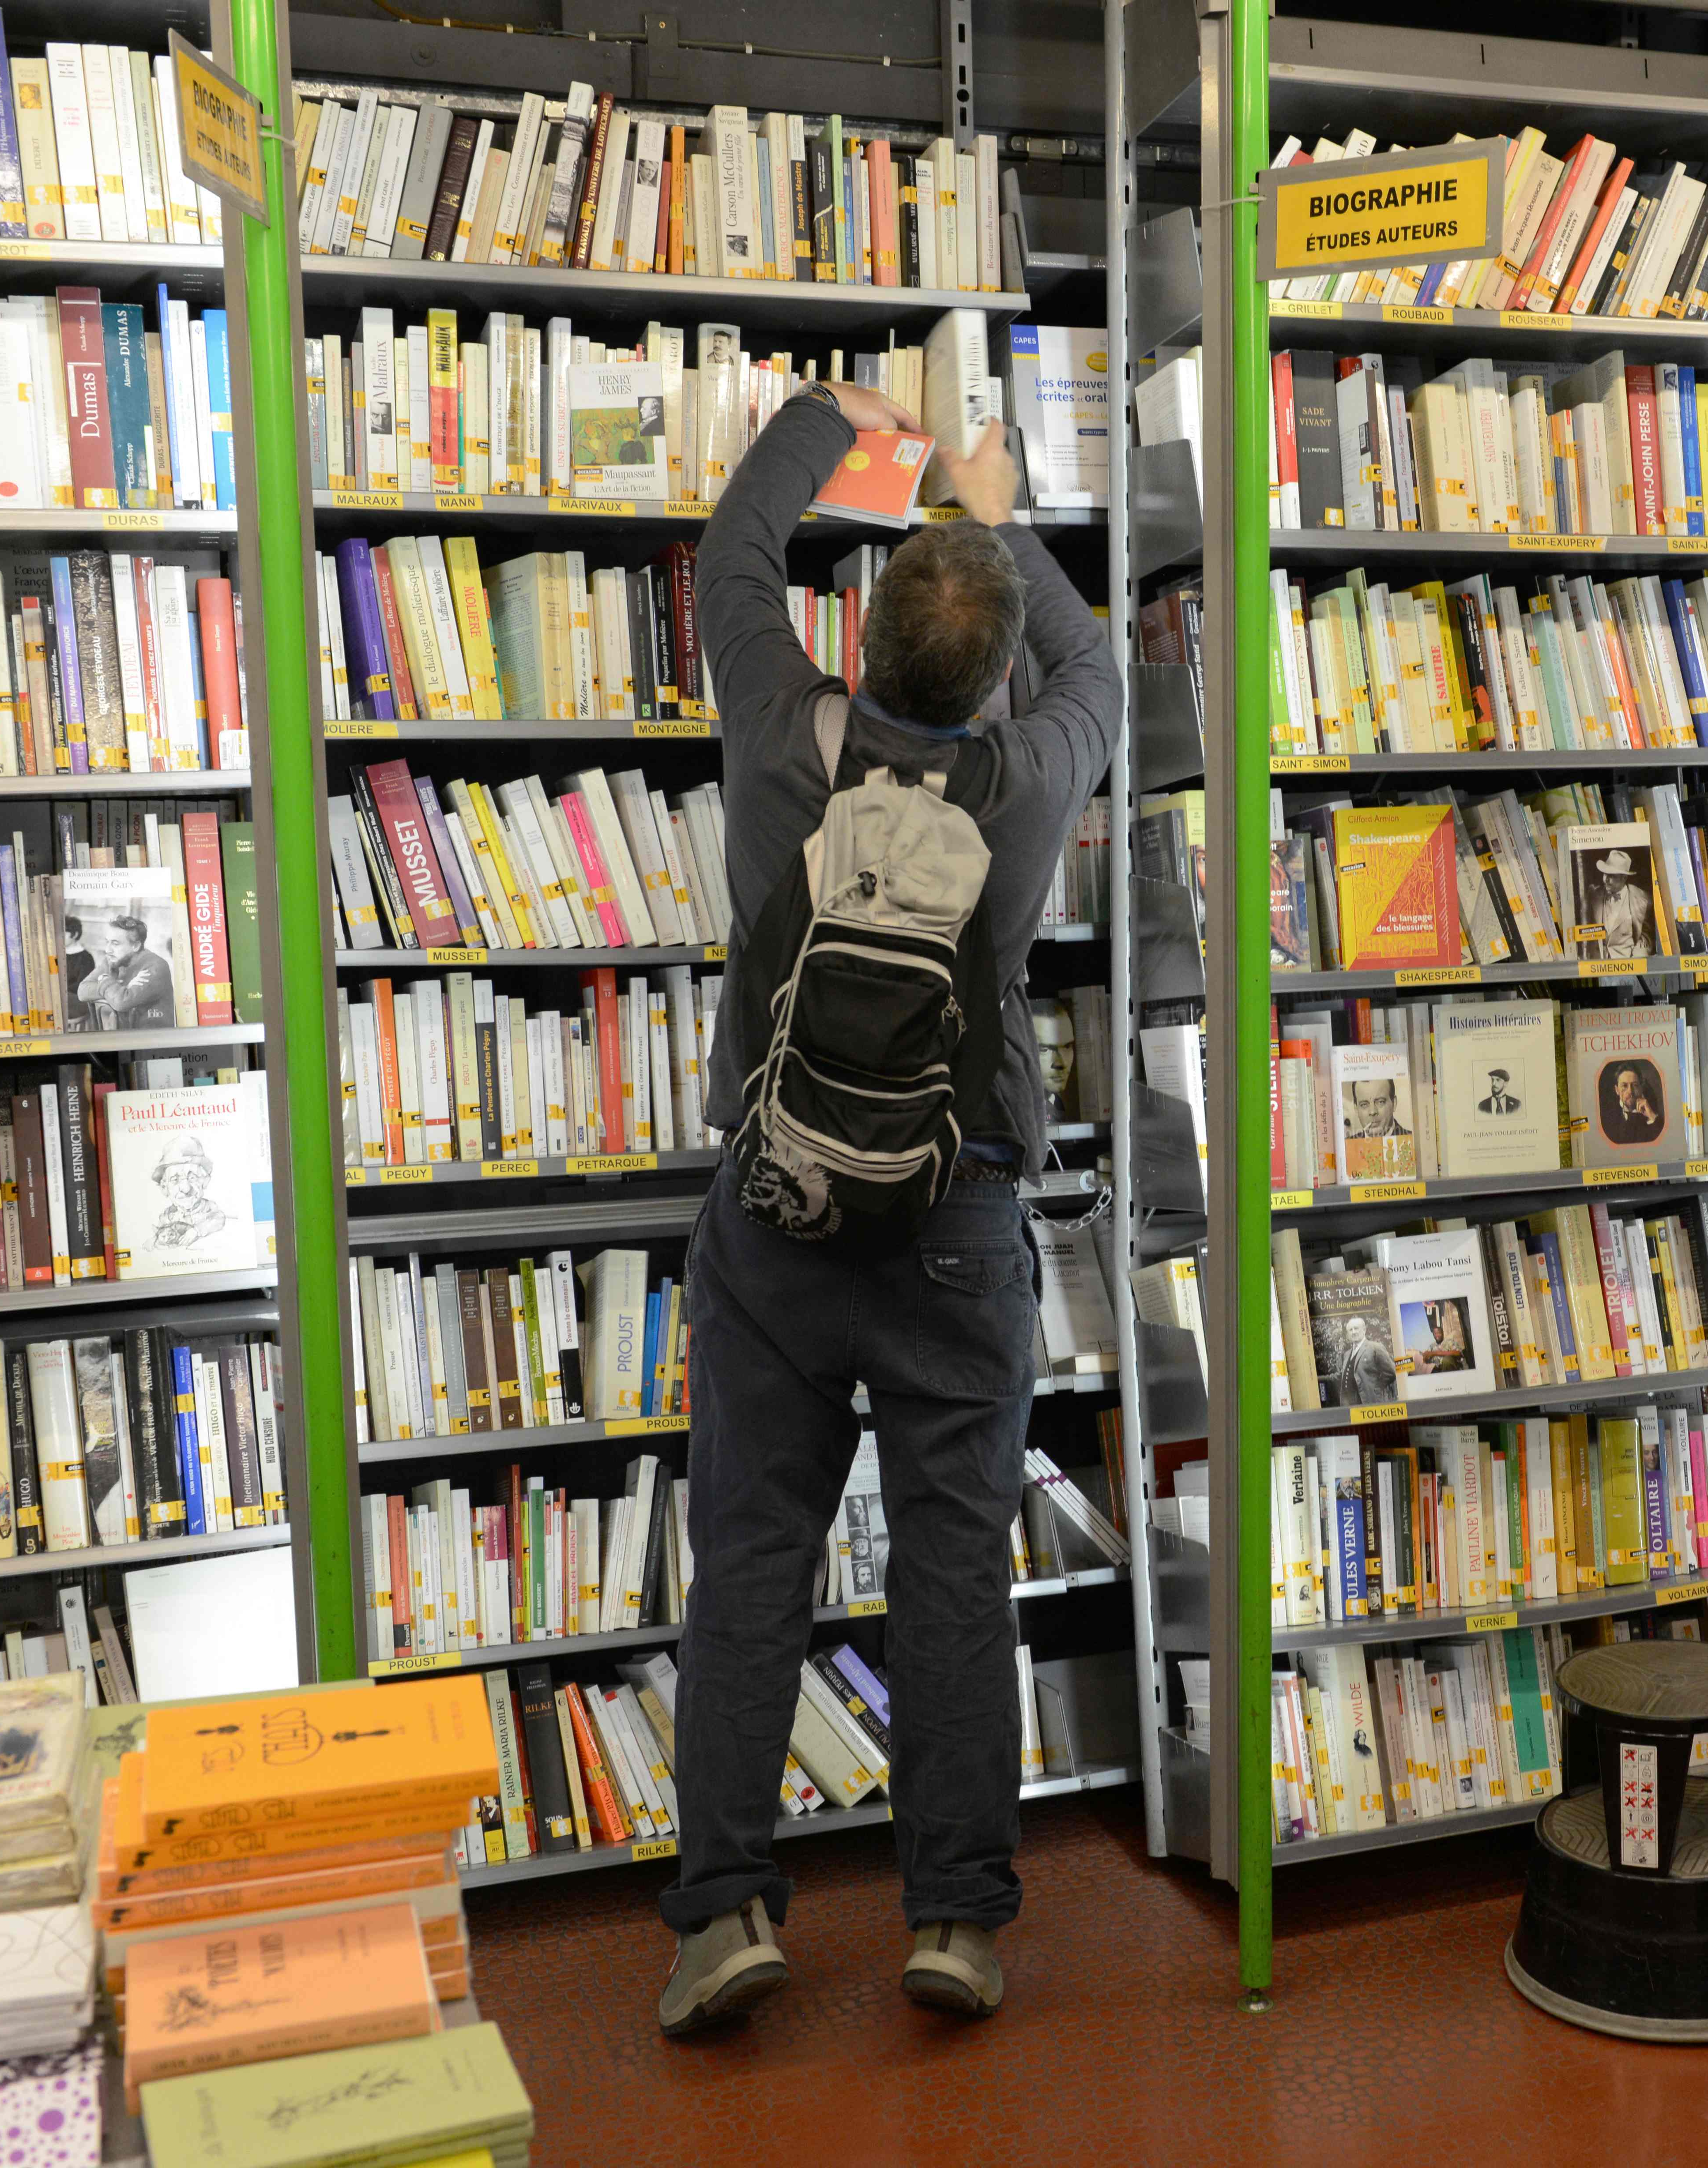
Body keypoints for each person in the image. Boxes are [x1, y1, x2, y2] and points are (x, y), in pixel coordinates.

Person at [658, 381, 1117, 2035]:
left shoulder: (783, 729)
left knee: (754, 1564)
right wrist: (978, 516)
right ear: (991, 669)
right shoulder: (1031, 774)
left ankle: (722, 1913)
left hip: (774, 1216)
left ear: (851, 640)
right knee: (947, 1572)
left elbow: (728, 555)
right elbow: (1100, 667)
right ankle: (954, 1924)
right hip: (958, 1221)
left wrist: (820, 420)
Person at [74, 914, 174, 1030]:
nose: (108, 950)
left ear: (136, 946)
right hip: (123, 1036)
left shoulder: (156, 966)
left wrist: (106, 981)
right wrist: (123, 988)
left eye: (115, 944)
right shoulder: (112, 961)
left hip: (153, 1038)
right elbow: (82, 991)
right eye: (108, 942)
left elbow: (122, 1003)